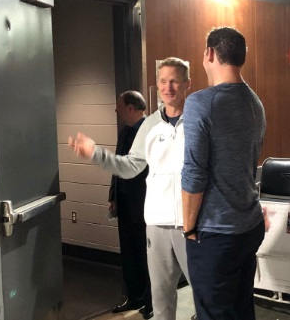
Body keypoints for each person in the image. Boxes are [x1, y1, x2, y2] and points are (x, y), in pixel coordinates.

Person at [68, 57, 195, 320]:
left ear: (187, 85)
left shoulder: (200, 121)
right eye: (162, 81)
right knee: (160, 298)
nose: (168, 87)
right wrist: (95, 155)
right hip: (156, 225)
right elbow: (130, 166)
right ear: (157, 85)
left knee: (203, 293)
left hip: (191, 224)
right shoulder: (149, 126)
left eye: (174, 81)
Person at [181, 27, 267, 320]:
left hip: (216, 233)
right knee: (241, 307)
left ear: (209, 54)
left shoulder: (200, 103)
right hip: (249, 225)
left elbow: (194, 173)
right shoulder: (255, 103)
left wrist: (189, 228)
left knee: (214, 312)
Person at [108, 90, 152, 319]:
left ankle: (149, 302)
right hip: (125, 203)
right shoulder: (125, 132)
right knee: (128, 253)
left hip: (144, 204)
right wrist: (113, 197)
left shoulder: (152, 131)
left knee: (146, 255)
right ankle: (133, 297)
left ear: (131, 108)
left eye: (119, 106)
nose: (116, 110)